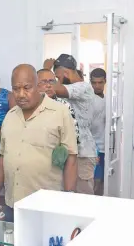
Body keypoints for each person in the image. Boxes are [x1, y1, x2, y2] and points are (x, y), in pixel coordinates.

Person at [0, 64, 78, 220]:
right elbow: (3, 158)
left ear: (38, 86)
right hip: (13, 203)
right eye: (16, 89)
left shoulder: (60, 113)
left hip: (47, 205)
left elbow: (71, 158)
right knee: (15, 243)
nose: (21, 94)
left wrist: (69, 198)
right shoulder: (10, 116)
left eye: (27, 88)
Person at [43, 55, 103, 195]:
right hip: (67, 151)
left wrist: (46, 69)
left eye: (57, 77)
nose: (55, 81)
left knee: (83, 199)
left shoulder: (84, 87)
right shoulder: (68, 87)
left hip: (82, 154)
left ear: (65, 73)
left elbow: (52, 88)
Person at [36, 68, 81, 144]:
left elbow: (74, 136)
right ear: (35, 84)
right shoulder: (31, 106)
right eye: (43, 82)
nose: (48, 85)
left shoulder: (64, 106)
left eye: (52, 81)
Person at [90, 68, 107, 195]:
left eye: (100, 82)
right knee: (94, 183)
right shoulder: (89, 100)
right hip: (94, 149)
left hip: (106, 149)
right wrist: (91, 150)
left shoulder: (107, 100)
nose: (97, 86)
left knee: (103, 182)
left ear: (105, 82)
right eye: (94, 83)